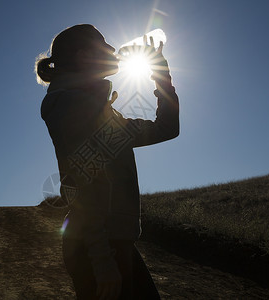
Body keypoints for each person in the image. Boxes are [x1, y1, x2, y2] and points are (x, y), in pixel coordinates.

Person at [36, 24, 179, 300]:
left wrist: (160, 72)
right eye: (104, 45)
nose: (113, 50)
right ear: (83, 56)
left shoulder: (101, 111)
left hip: (112, 240)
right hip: (97, 245)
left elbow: (166, 128)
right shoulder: (72, 105)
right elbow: (85, 187)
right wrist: (102, 262)